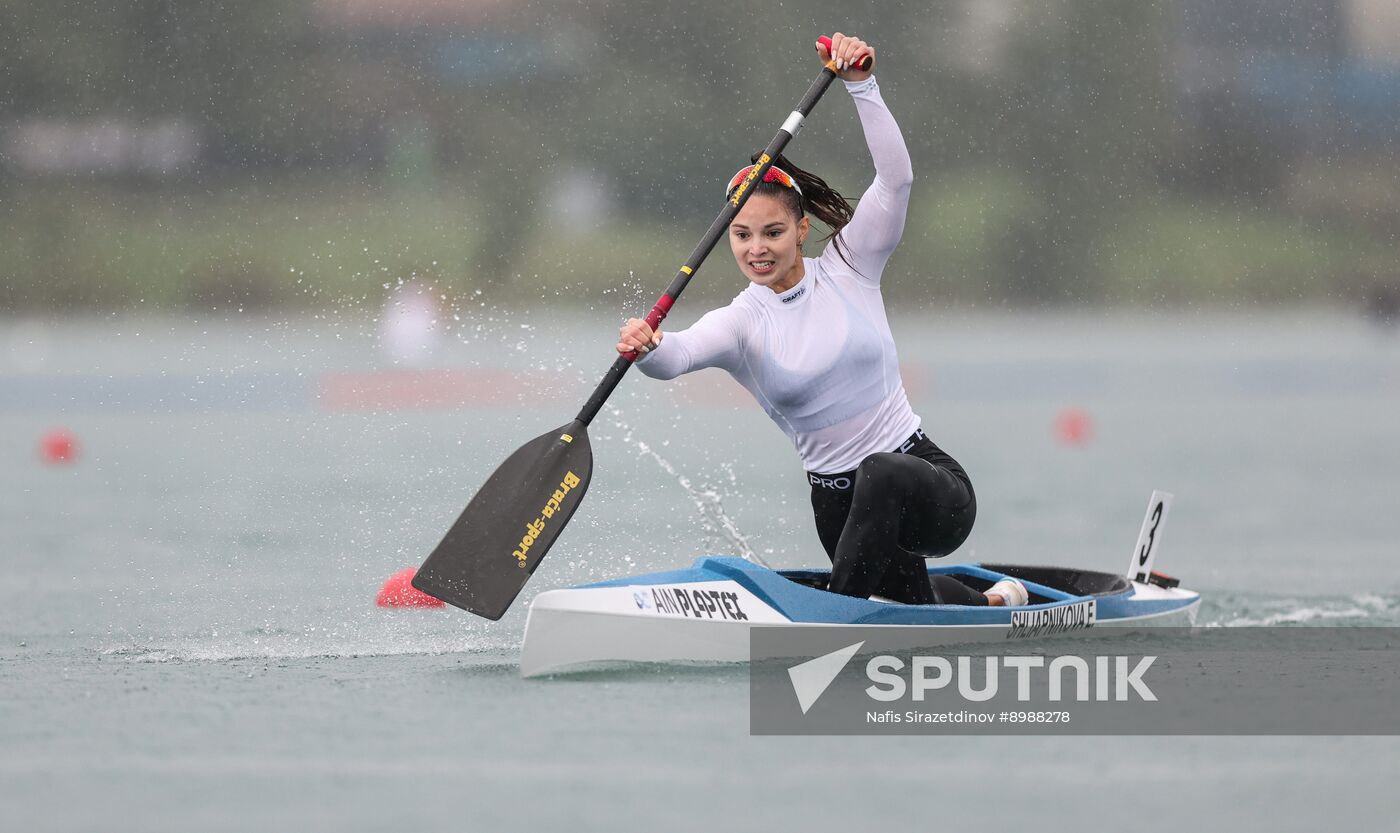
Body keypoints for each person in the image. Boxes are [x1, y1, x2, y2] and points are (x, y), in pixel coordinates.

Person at [617, 33, 1027, 608]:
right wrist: (645, 346)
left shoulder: (850, 266)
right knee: (912, 605)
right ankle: (995, 603)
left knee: (880, 472)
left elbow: (896, 181)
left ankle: (838, 616)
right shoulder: (741, 324)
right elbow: (674, 357)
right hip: (838, 507)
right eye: (742, 235)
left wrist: (862, 85)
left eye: (772, 232)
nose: (757, 248)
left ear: (801, 228)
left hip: (925, 483)